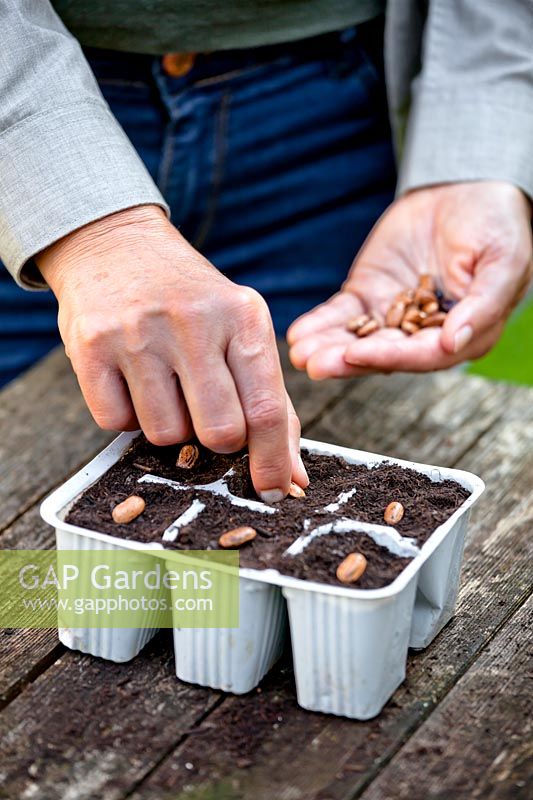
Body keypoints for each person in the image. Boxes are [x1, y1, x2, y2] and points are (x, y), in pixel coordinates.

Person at [1, 1, 532, 502]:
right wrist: (91, 227)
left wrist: (479, 138)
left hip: (332, 111)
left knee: (361, 449)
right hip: (30, 113)